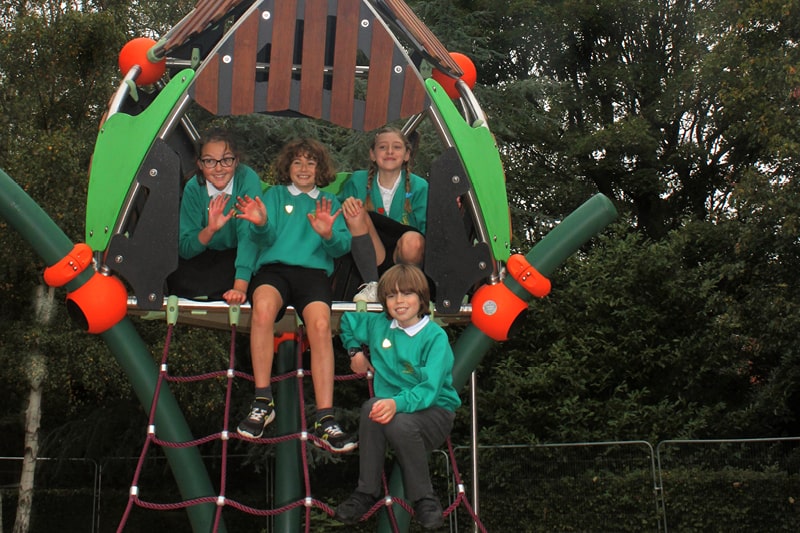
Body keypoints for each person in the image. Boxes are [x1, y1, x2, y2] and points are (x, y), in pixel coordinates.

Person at [234, 138, 357, 452]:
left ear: (320, 168)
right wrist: (261, 223)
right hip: (274, 269)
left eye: (311, 162)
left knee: (319, 326)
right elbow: (263, 235)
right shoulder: (273, 195)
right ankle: (263, 399)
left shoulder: (329, 203)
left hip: (312, 273)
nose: (304, 169)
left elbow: (341, 246)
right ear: (288, 167)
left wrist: (328, 232)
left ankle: (325, 417)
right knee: (261, 309)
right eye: (298, 162)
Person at [334, 264, 460, 529]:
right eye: (392, 296)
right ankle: (366, 492)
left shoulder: (434, 337)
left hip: (433, 413)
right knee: (371, 408)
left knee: (400, 421)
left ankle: (424, 499)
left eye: (407, 294)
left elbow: (430, 390)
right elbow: (347, 321)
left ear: (421, 299)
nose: (400, 301)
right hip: (391, 411)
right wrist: (355, 351)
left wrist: (396, 403)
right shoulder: (380, 326)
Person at [167, 128, 263, 304]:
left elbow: (248, 238)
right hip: (207, 256)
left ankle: (227, 289)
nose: (219, 168)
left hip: (239, 254)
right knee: (177, 275)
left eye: (226, 160)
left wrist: (239, 289)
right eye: (210, 161)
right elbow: (186, 248)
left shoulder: (247, 179)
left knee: (258, 275)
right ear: (200, 164)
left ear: (236, 162)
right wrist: (210, 230)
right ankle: (211, 292)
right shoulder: (194, 188)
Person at [339, 127, 428, 303]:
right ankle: (372, 285)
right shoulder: (357, 181)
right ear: (372, 154)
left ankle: (407, 288)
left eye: (396, 147)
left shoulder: (420, 187)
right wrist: (346, 206)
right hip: (370, 252)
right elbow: (335, 213)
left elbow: (429, 229)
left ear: (407, 155)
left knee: (413, 240)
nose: (389, 152)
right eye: (382, 147)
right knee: (354, 211)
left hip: (404, 256)